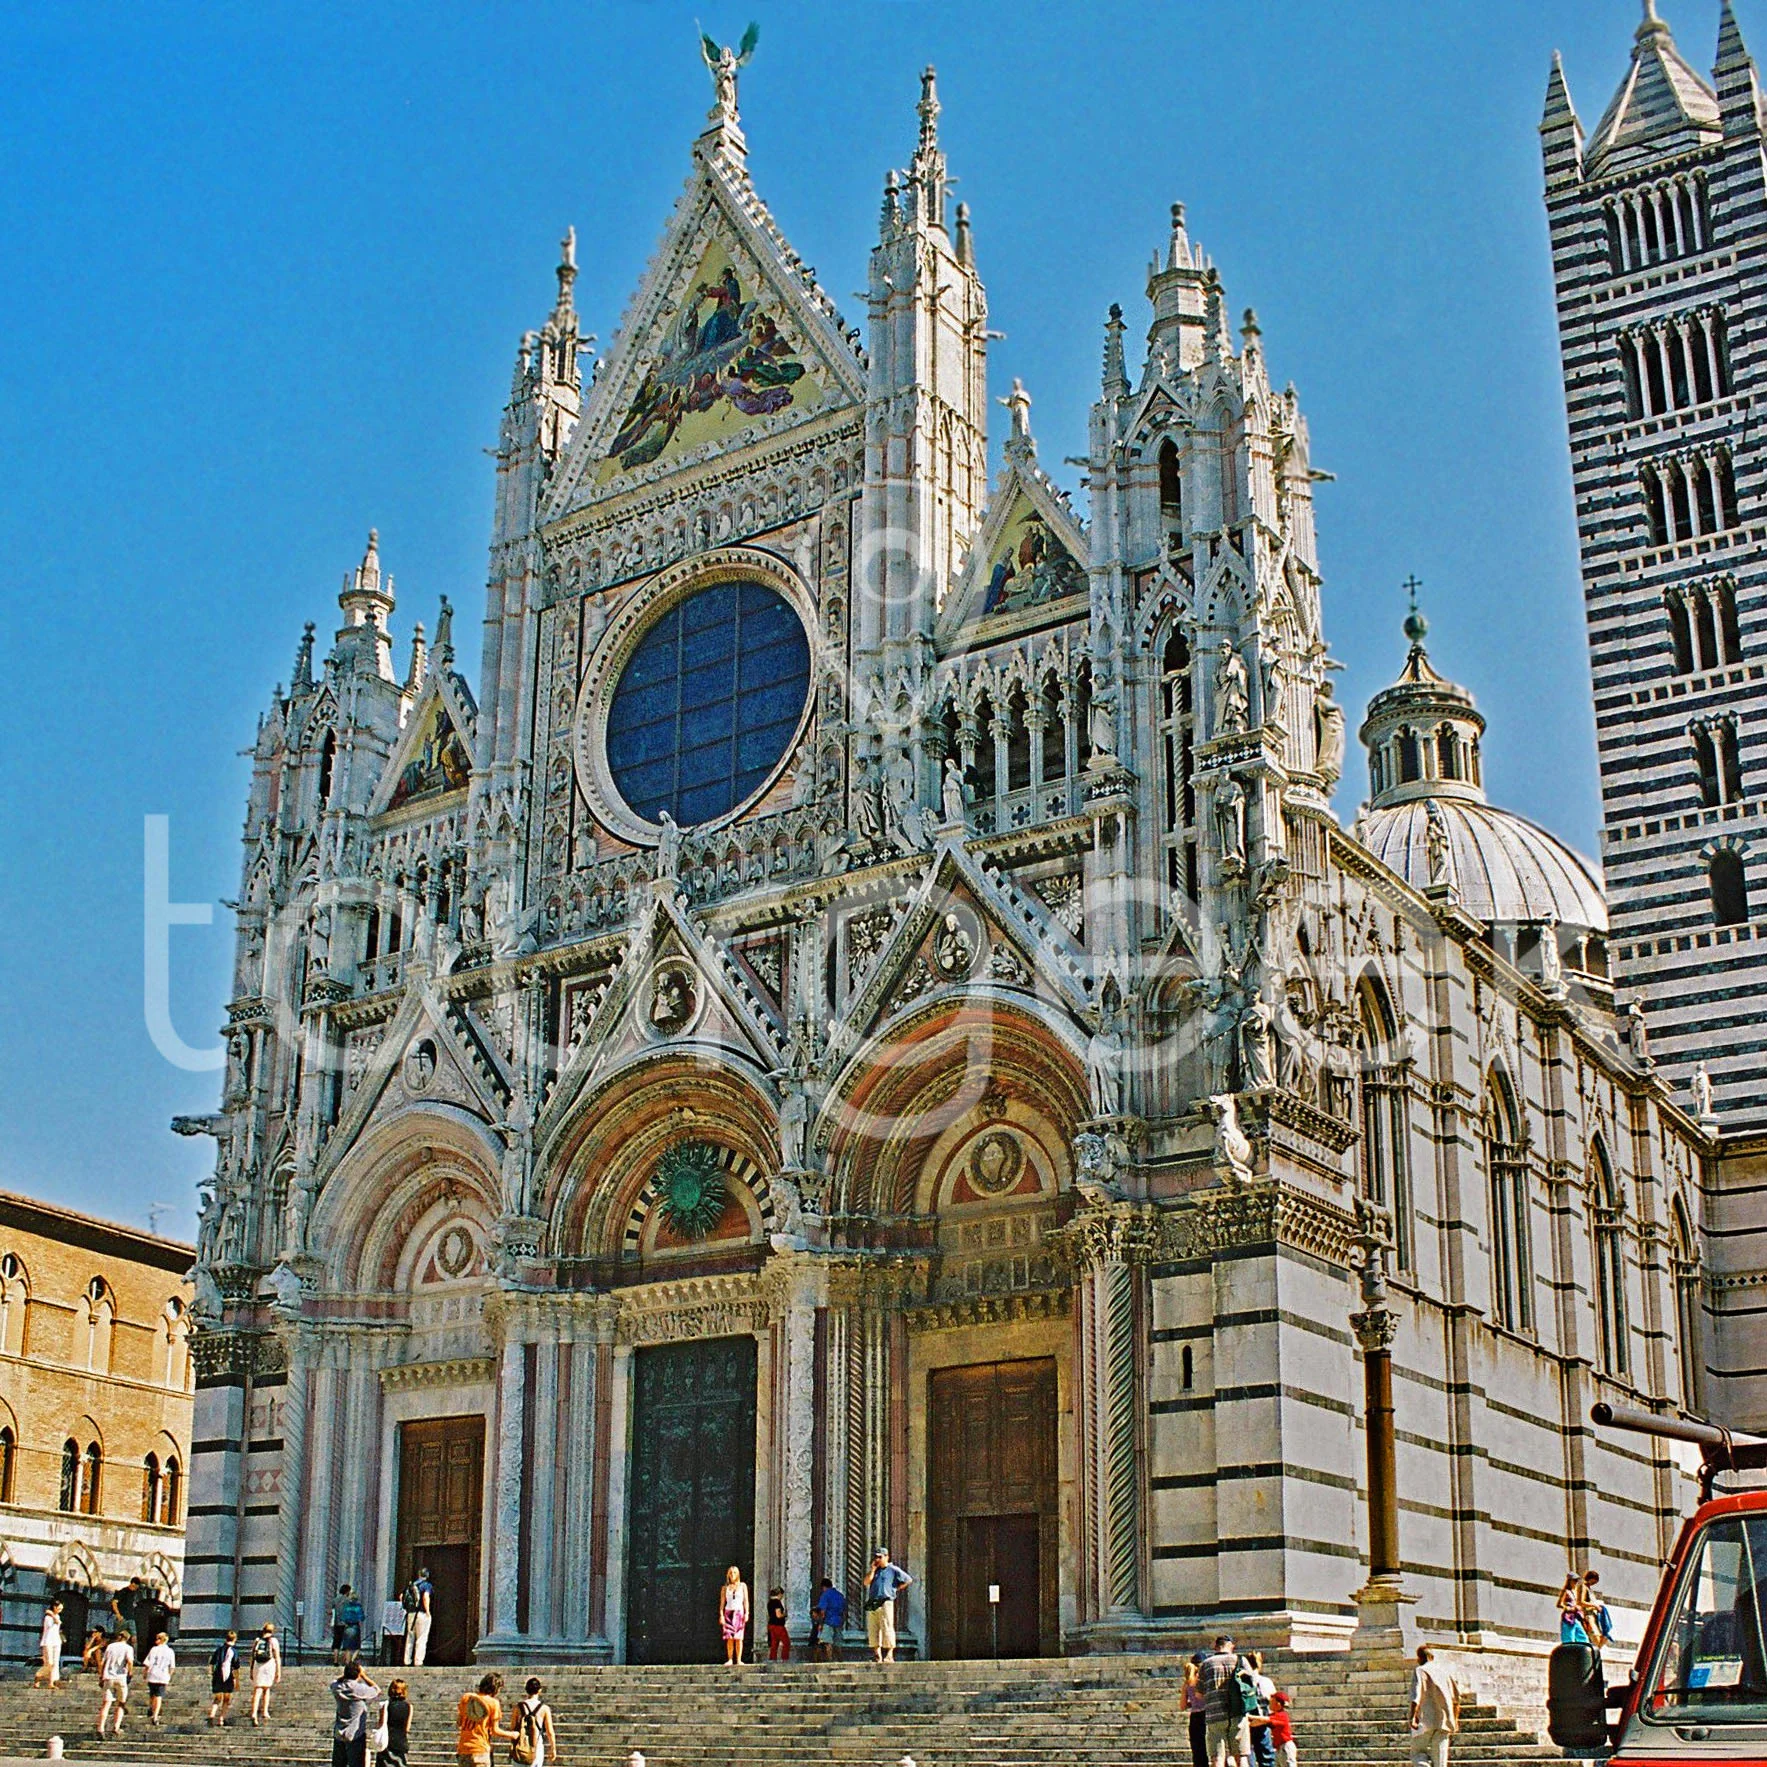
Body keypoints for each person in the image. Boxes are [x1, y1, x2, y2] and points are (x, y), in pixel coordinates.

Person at [1200, 1633, 1251, 1767]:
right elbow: (1252, 1685)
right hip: (1237, 1711)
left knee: (1217, 1758)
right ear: (1230, 1646)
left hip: (1214, 1713)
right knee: (1241, 1756)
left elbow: (1199, 1693)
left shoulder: (1206, 1664)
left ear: (1215, 1647)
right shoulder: (1241, 1660)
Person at [1409, 1644, 1460, 1767]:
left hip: (1425, 1719)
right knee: (1440, 1761)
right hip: (1444, 1720)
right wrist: (1455, 1720)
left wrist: (1412, 1717)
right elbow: (1456, 1699)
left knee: (1418, 1754)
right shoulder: (1445, 1672)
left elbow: (1416, 1696)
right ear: (1432, 1657)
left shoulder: (1420, 1670)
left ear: (1420, 1658)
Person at [456, 1671, 516, 1767]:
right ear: (495, 1688)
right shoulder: (493, 1703)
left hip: (463, 1749)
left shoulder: (466, 1698)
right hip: (480, 1749)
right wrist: (512, 1734)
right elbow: (495, 1730)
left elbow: (459, 1722)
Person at [864, 1548, 912, 1665]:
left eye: (880, 1557)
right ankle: (877, 1655)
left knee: (887, 1626)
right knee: (873, 1628)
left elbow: (908, 1580)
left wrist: (895, 1588)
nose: (877, 1559)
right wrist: (872, 1570)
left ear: (887, 1557)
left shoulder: (893, 1570)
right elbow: (866, 1582)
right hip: (873, 1601)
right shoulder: (876, 1571)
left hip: (885, 1600)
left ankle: (890, 1654)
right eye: (876, 1557)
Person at [330, 1657, 380, 1767]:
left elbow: (333, 1682)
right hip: (355, 1733)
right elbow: (376, 1689)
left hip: (339, 1732)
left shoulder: (337, 1687)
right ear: (357, 1674)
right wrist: (363, 1676)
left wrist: (346, 1675)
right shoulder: (358, 1689)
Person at [96, 1630, 134, 1739]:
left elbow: (103, 1662)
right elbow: (130, 1662)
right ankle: (116, 1727)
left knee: (106, 1704)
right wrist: (130, 1674)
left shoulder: (110, 1647)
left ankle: (101, 1728)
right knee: (121, 1703)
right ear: (127, 1639)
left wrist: (101, 1676)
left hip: (108, 1676)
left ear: (119, 1637)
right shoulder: (128, 1648)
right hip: (120, 1677)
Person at [513, 1676, 558, 1767]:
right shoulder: (544, 1708)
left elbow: (513, 1728)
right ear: (539, 1690)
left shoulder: (518, 1707)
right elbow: (550, 1731)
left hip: (520, 1745)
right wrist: (553, 1748)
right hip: (536, 1746)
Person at [248, 1620, 282, 1726]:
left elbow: (252, 1656)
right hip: (269, 1665)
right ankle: (265, 1711)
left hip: (258, 1665)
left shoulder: (257, 1640)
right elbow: (277, 1657)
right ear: (272, 1631)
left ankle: (254, 1712)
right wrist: (278, 1671)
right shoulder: (274, 1641)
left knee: (257, 1689)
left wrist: (251, 1669)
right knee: (266, 1689)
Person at [1246, 1650, 1276, 1767]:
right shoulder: (1265, 1681)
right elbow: (1273, 1701)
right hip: (1262, 1721)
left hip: (1247, 1722)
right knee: (1266, 1758)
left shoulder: (1242, 1682)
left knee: (1248, 1757)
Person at [720, 1565, 751, 1666]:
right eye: (730, 1573)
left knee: (738, 1637)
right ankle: (729, 1659)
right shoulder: (725, 1588)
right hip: (728, 1612)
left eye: (734, 1572)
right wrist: (721, 1616)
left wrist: (747, 1613)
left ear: (738, 1574)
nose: (732, 1575)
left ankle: (738, 1659)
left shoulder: (743, 1586)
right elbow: (722, 1604)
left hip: (739, 1612)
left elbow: (746, 1600)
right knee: (729, 1637)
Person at [143, 1631, 176, 1727]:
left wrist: (145, 1673)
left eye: (157, 1638)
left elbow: (147, 1663)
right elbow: (172, 1666)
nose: (156, 1640)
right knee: (158, 1696)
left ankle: (151, 1708)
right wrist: (169, 1676)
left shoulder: (153, 1649)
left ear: (161, 1640)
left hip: (152, 1674)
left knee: (152, 1694)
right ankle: (155, 1714)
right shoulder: (170, 1651)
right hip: (162, 1676)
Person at [208, 1629, 239, 1726]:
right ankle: (221, 1718)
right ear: (235, 1639)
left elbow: (212, 1662)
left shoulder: (219, 1649)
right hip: (228, 1676)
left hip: (217, 1675)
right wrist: (236, 1680)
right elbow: (236, 1667)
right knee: (226, 1698)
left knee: (217, 1698)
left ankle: (212, 1714)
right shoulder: (234, 1651)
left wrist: (212, 1673)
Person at [810, 1577, 846, 1661]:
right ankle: (840, 1660)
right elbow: (845, 1610)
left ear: (823, 1587)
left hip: (828, 1621)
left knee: (827, 1642)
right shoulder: (840, 1595)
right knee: (837, 1643)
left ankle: (829, 1660)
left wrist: (820, 1624)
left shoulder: (825, 1595)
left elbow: (822, 1611)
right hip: (838, 1621)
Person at [379, 1675, 412, 1767]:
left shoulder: (385, 1705)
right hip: (401, 1742)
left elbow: (381, 1723)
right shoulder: (409, 1706)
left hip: (387, 1741)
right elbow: (407, 1728)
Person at [1183, 1653, 1209, 1767]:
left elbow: (1182, 1705)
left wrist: (1192, 1703)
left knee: (1198, 1752)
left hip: (1194, 1718)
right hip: (1207, 1715)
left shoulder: (1187, 1683)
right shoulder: (1205, 1681)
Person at [404, 1567, 434, 1666]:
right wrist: (428, 1611)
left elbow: (401, 1596)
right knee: (421, 1637)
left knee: (410, 1636)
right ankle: (418, 1661)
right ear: (427, 1575)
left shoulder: (412, 1585)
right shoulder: (426, 1585)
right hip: (421, 1613)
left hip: (411, 1613)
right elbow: (425, 1597)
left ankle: (407, 1660)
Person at [1581, 1569, 1614, 1652]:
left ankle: (1595, 1653)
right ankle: (1594, 1654)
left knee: (1604, 1636)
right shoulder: (1583, 1587)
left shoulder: (1589, 1589)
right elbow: (1580, 1602)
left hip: (1594, 1615)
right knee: (1595, 1637)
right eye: (1594, 1581)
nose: (1594, 1583)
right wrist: (1594, 1606)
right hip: (1588, 1616)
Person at [33, 1599, 62, 1690]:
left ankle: (51, 1682)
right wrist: (52, 1615)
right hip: (48, 1642)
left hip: (56, 1642)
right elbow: (51, 1625)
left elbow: (58, 1622)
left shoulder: (56, 1616)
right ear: (54, 1607)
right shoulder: (48, 1618)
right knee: (49, 1663)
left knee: (54, 1663)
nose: (60, 1610)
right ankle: (38, 1676)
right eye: (59, 1608)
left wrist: (53, 1615)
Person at [1557, 1572, 1590, 1644]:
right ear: (1569, 1581)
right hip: (1568, 1618)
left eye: (1577, 1581)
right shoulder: (1566, 1591)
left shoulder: (1574, 1592)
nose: (1576, 1582)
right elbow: (1559, 1604)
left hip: (1575, 1617)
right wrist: (1570, 1608)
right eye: (1574, 1580)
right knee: (1569, 1638)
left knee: (1583, 1637)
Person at [1267, 1690, 1296, 1767]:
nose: (1270, 1702)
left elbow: (1264, 1720)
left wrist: (1248, 1717)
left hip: (1285, 1746)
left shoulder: (1282, 1715)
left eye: (1272, 1700)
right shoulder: (1274, 1715)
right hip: (1279, 1747)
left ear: (1278, 1704)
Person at [767, 1586, 790, 1661]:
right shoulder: (777, 1602)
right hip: (778, 1626)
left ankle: (772, 1658)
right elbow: (778, 1615)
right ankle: (785, 1658)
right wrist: (785, 1614)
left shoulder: (770, 1602)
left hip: (771, 1624)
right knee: (786, 1642)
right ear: (779, 1594)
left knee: (774, 1643)